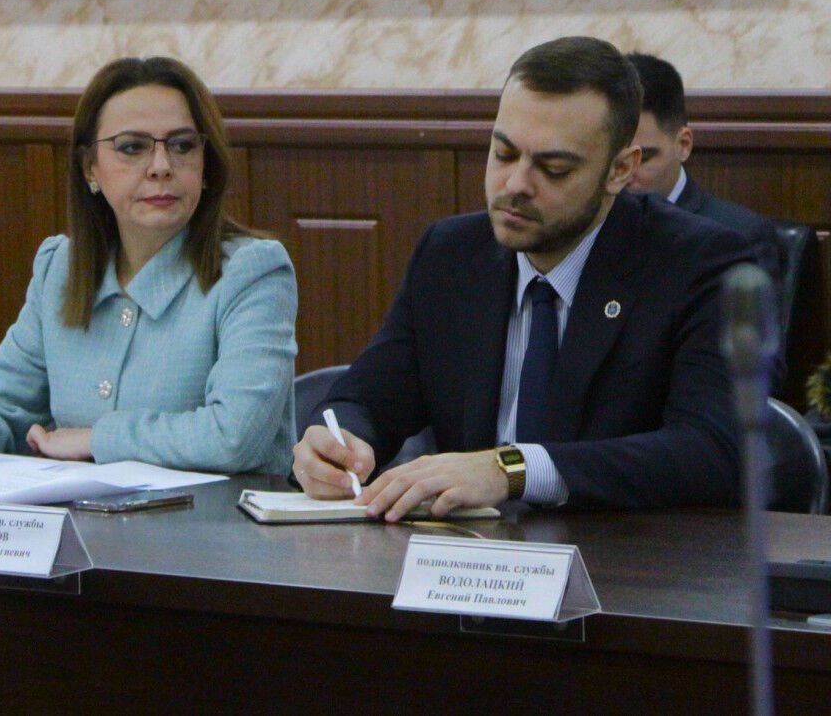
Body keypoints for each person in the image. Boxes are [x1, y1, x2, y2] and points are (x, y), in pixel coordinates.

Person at [293, 36, 752, 518]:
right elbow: (368, 397)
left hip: (623, 556)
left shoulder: (699, 264)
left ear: (620, 170)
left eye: (553, 169)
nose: (515, 185)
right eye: (504, 154)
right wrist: (338, 442)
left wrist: (512, 469)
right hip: (466, 553)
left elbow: (715, 452)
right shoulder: (451, 254)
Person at [0, 56, 297, 476]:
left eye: (182, 146)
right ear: (90, 169)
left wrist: (95, 438)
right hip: (79, 513)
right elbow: (1, 403)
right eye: (132, 147)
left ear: (206, 164)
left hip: (215, 517)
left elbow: (234, 436)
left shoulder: (252, 271)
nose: (161, 167)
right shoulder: (60, 268)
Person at [625, 52, 788, 384]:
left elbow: (758, 368)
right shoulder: (588, 227)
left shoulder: (738, 236)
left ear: (683, 144)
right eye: (614, 161)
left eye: (643, 159)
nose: (625, 176)